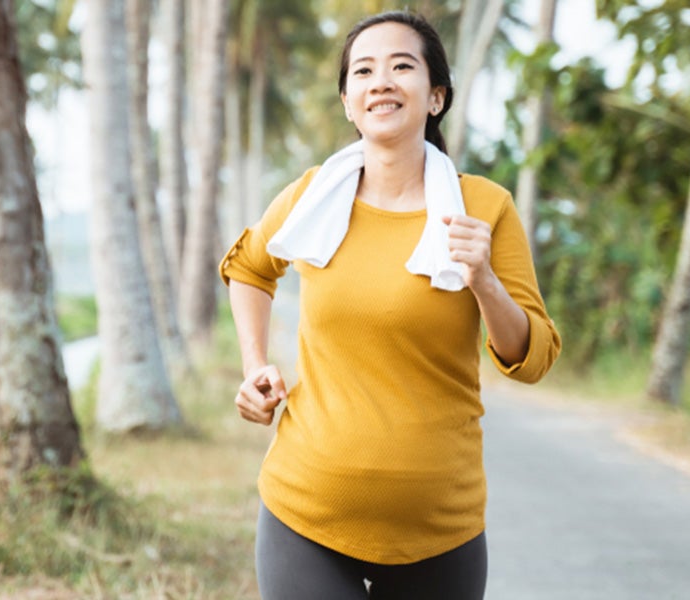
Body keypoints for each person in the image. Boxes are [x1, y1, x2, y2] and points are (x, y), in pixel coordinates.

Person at [218, 11, 562, 600]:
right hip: (306, 514)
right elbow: (249, 267)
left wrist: (482, 278)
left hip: (440, 530)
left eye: (402, 66)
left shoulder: (483, 208)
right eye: (364, 71)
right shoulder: (311, 198)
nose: (381, 80)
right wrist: (254, 367)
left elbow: (531, 357)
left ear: (435, 97)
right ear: (350, 103)